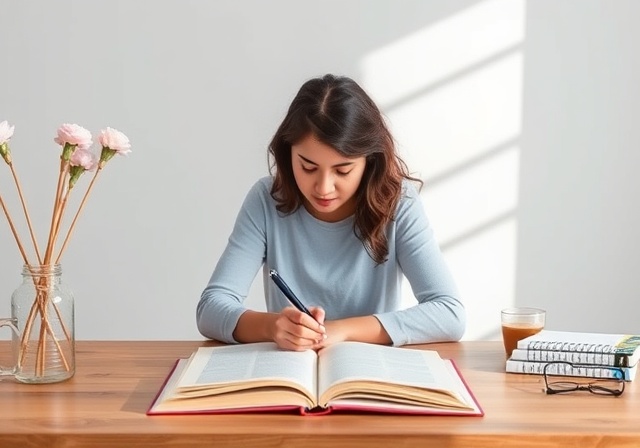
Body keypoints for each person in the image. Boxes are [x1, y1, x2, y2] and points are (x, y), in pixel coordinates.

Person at [197, 74, 465, 351]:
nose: (324, 188)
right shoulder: (266, 200)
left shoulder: (399, 203)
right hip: (289, 372)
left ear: (369, 161)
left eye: (343, 170)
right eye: (308, 167)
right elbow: (211, 308)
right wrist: (273, 327)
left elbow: (449, 314)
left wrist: (341, 331)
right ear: (288, 154)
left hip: (368, 373)